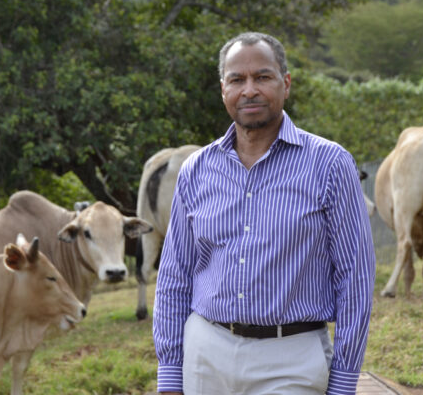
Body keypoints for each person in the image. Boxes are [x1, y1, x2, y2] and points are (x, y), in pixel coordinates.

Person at [152, 31, 375, 395]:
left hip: (291, 358)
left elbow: (355, 278)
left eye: (263, 77)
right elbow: (175, 276)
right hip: (205, 352)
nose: (249, 89)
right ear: (223, 89)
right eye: (237, 79)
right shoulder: (196, 170)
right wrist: (171, 372)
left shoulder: (330, 164)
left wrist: (345, 378)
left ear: (285, 84)